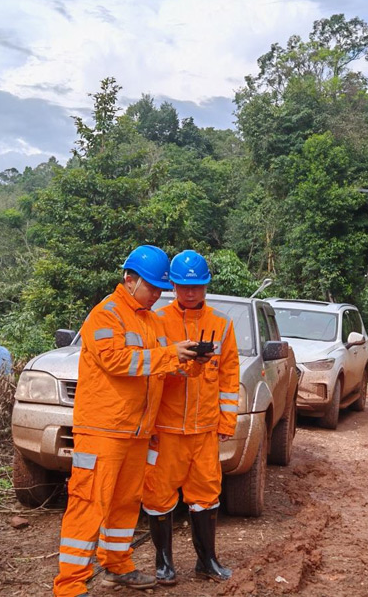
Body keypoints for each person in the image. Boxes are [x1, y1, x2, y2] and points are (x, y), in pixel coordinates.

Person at [52, 245, 198, 597]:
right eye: (152, 287)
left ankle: (117, 565)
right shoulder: (106, 315)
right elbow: (116, 361)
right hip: (103, 429)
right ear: (129, 280)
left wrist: (187, 360)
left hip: (136, 430)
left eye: (161, 288)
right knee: (89, 502)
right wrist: (167, 355)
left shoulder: (150, 320)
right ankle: (70, 584)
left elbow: (157, 366)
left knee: (127, 501)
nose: (157, 294)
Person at [143, 249, 239, 585]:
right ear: (172, 285)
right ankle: (164, 563)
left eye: (197, 286)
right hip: (166, 429)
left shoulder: (222, 325)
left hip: (205, 430)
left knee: (207, 493)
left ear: (206, 285)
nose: (190, 292)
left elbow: (229, 377)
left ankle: (207, 562)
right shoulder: (157, 321)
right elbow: (150, 375)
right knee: (158, 494)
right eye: (184, 286)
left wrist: (227, 422)